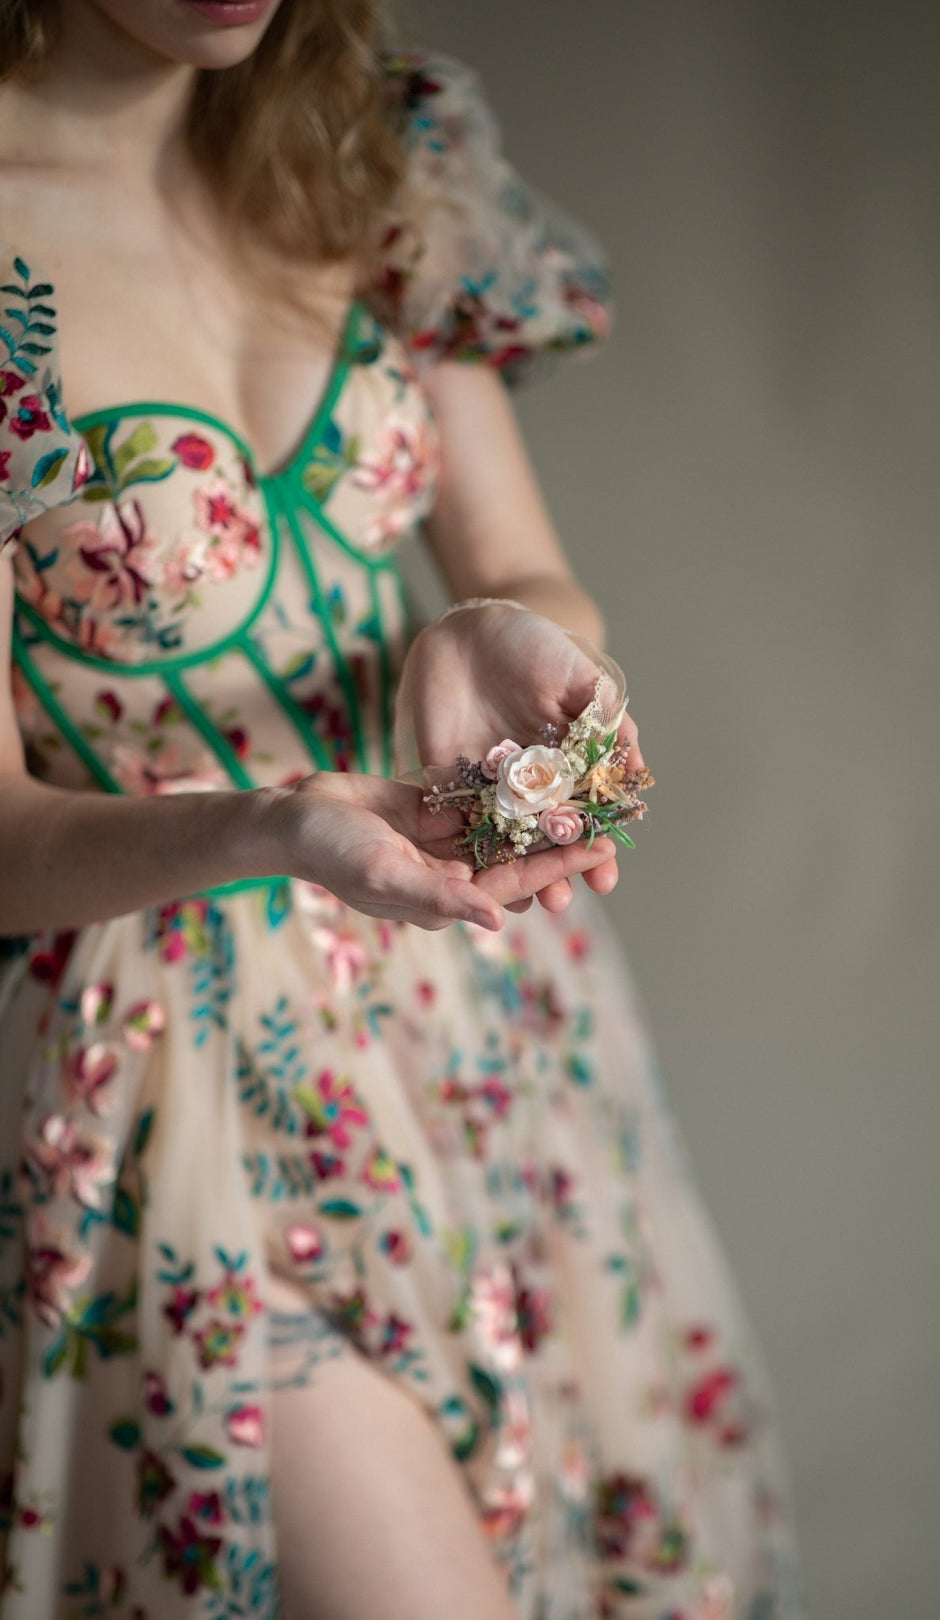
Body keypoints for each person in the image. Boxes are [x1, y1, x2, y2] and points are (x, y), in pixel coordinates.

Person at [0, 2, 807, 1616]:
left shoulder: (364, 150)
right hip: (172, 1066)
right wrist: (277, 824)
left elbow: (515, 559)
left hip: (471, 1010)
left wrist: (501, 630)